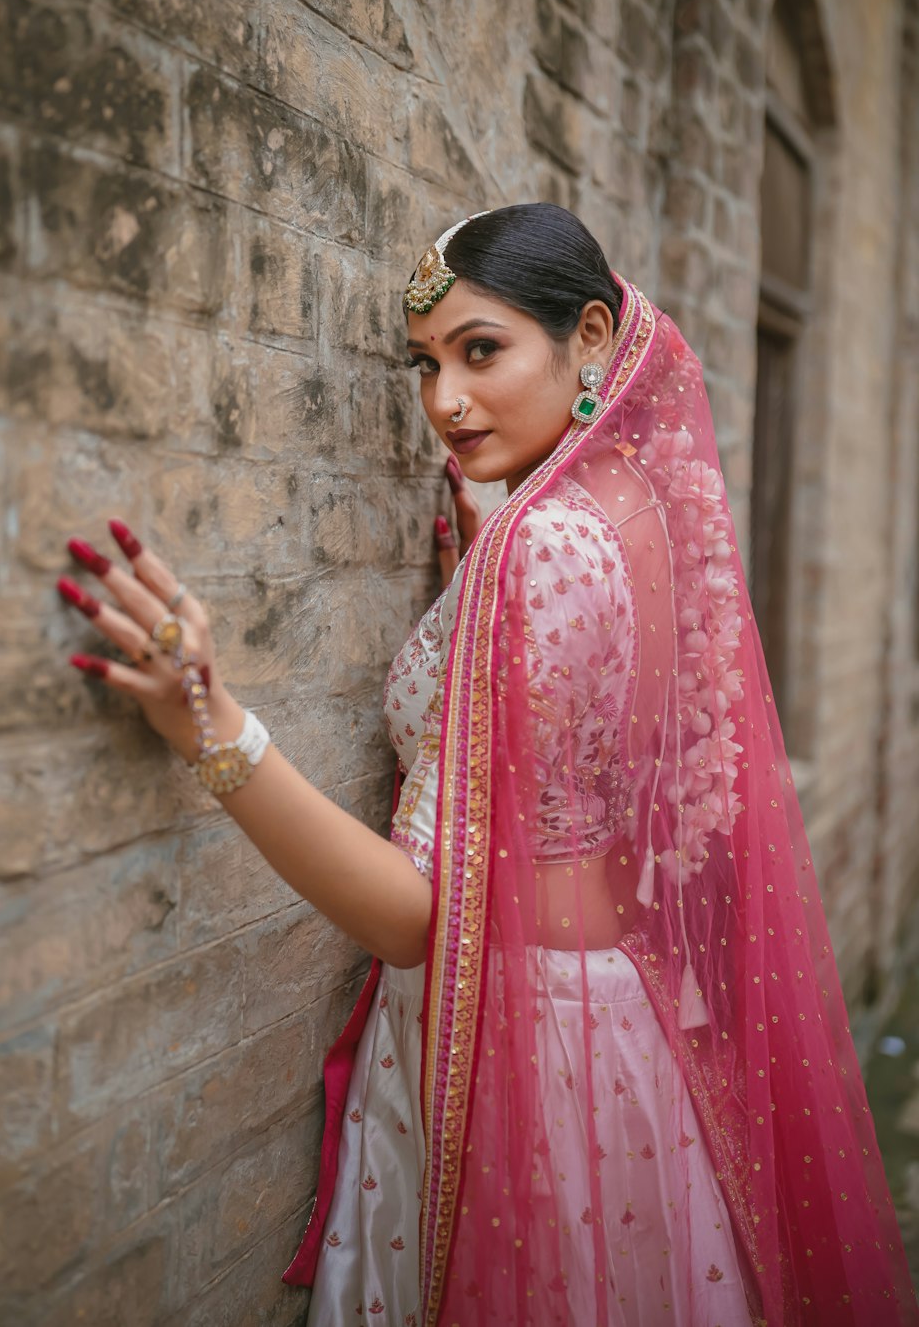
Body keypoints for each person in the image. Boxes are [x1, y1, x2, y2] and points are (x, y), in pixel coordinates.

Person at [57, 204, 917, 1325]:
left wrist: (213, 730)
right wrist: (479, 550)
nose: (444, 403)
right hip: (609, 1019)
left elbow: (421, 918)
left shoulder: (544, 547)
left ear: (594, 340)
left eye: (482, 351)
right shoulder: (626, 510)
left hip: (523, 1044)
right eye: (426, 363)